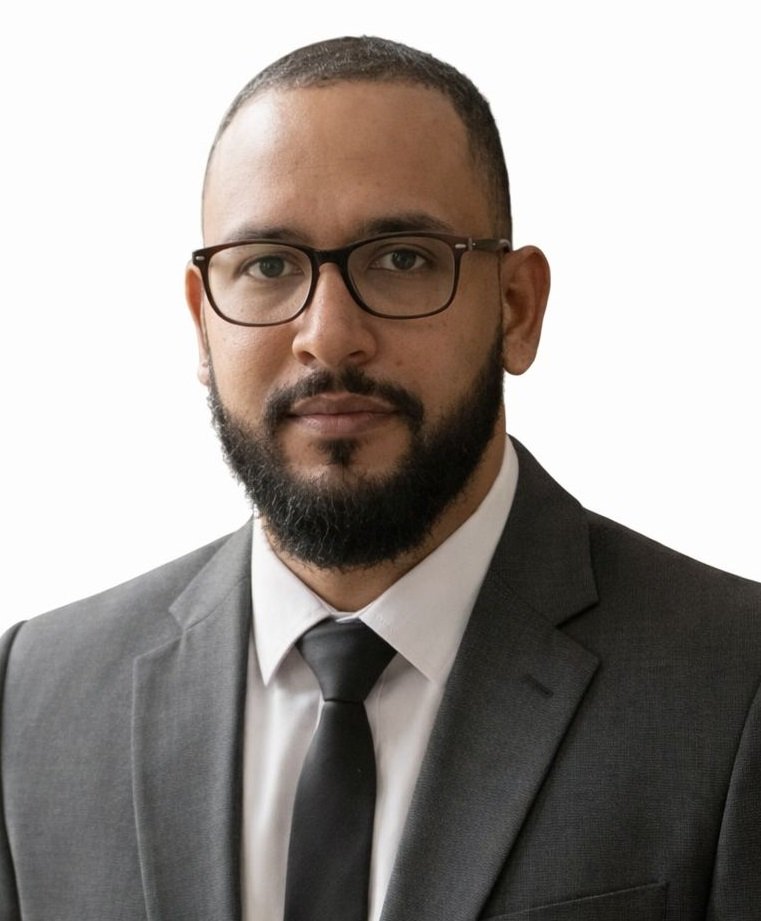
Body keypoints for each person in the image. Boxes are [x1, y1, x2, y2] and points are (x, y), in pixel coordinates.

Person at [1, 34, 759, 921]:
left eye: (401, 259)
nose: (328, 335)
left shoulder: (732, 687)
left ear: (515, 308)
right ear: (202, 323)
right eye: (267, 265)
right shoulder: (33, 699)